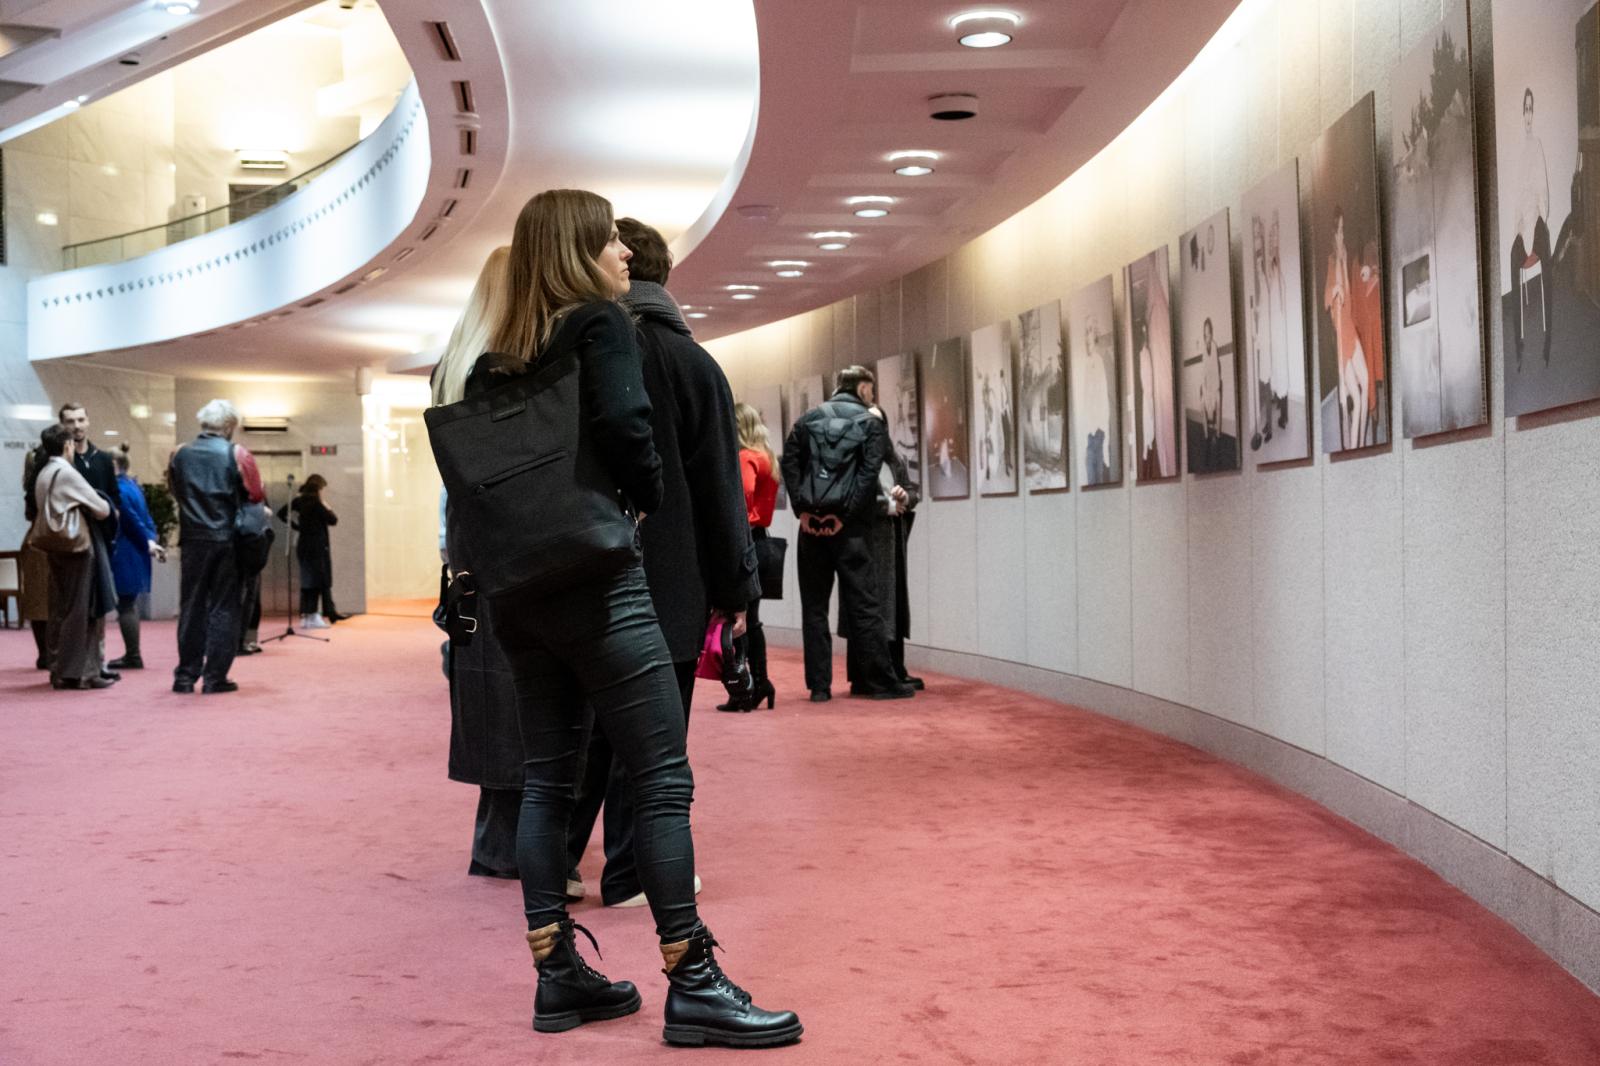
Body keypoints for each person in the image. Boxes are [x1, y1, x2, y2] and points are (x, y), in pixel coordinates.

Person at [440, 188, 798, 1047]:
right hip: (603, 584)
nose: (624, 255)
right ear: (578, 250)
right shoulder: (601, 325)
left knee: (548, 781)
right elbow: (632, 432)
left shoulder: (497, 355)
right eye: (609, 241)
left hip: (523, 596)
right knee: (662, 779)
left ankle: (557, 974)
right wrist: (642, 498)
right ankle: (694, 980)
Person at [563, 216, 757, 908]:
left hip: (581, 571)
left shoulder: (573, 351)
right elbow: (719, 489)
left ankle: (557, 860)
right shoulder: (690, 362)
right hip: (669, 576)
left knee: (585, 726)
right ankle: (632, 870)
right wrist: (735, 588)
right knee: (654, 734)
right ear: (665, 276)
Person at [431, 246, 524, 881]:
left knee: (491, 700)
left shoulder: (453, 369)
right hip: (510, 552)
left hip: (470, 554)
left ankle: (498, 843)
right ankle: (509, 848)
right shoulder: (505, 372)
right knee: (516, 700)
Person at [781, 364, 910, 702]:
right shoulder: (870, 424)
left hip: (810, 529)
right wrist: (845, 516)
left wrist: (803, 510)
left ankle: (819, 687)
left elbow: (789, 464)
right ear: (863, 389)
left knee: (814, 609)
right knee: (864, 605)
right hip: (851, 531)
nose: (873, 395)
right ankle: (879, 682)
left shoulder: (806, 420)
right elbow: (868, 476)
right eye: (871, 389)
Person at [839, 404, 921, 695]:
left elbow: (912, 491)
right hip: (864, 543)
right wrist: (885, 506)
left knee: (893, 605)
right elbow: (849, 500)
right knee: (868, 606)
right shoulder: (853, 460)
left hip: (892, 543)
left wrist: (905, 497)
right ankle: (868, 674)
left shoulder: (892, 459)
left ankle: (894, 668)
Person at [166, 399, 247, 695]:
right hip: (226, 540)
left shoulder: (179, 454)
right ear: (229, 426)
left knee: (191, 606)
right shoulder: (236, 454)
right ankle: (215, 677)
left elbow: (174, 489)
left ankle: (185, 676)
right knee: (224, 607)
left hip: (192, 539)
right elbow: (254, 493)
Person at [33, 424, 115, 690]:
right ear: (68, 445)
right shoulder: (67, 473)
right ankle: (79, 673)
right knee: (81, 609)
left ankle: (60, 669)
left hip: (54, 546)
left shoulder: (43, 472)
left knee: (60, 609)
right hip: (76, 547)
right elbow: (102, 509)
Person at [719, 401, 780, 712]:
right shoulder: (766, 457)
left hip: (746, 544)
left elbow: (741, 499)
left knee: (740, 620)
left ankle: (747, 686)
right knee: (752, 620)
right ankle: (759, 683)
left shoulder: (745, 458)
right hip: (762, 541)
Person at [59, 402, 121, 681]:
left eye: (80, 420)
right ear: (62, 425)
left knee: (100, 602)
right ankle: (68, 665)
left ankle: (98, 661)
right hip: (69, 540)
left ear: (88, 421)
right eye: (70, 421)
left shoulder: (103, 459)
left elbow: (114, 499)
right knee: (72, 605)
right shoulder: (58, 462)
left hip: (99, 538)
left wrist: (110, 518)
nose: (76, 426)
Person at [108, 447, 165, 670]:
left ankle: (133, 655)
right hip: (137, 550)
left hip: (125, 550)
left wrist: (147, 542)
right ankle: (133, 654)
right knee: (128, 603)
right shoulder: (133, 486)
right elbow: (147, 519)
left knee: (125, 604)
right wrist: (151, 540)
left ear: (114, 465)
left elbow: (131, 520)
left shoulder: (119, 490)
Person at [1510, 86, 1553, 368]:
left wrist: (1539, 218)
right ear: (1521, 114)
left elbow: (1542, 191)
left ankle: (1548, 338)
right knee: (1512, 257)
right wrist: (1518, 225)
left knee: (1545, 251)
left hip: (1536, 218)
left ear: (1533, 113)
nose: (1528, 114)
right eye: (1524, 109)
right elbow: (1517, 195)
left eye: (1530, 109)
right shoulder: (1518, 149)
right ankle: (1518, 343)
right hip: (1523, 220)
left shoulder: (1537, 144)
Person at [1325, 209, 1368, 450]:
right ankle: (1354, 449)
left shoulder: (1345, 257)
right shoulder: (1332, 262)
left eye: (1343, 230)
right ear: (1333, 235)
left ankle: (1360, 445)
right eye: (1339, 231)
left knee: (1366, 383)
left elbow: (1352, 299)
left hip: (1350, 329)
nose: (1342, 235)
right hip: (1342, 336)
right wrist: (1335, 290)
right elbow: (1326, 296)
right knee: (1356, 398)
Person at [279, 475, 342, 629]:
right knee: (317, 581)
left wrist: (295, 526)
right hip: (318, 546)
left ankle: (306, 616)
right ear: (318, 489)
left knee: (307, 580)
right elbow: (333, 520)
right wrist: (326, 505)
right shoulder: (317, 504)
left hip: (303, 545)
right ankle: (313, 615)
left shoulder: (298, 501)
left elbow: (281, 513)